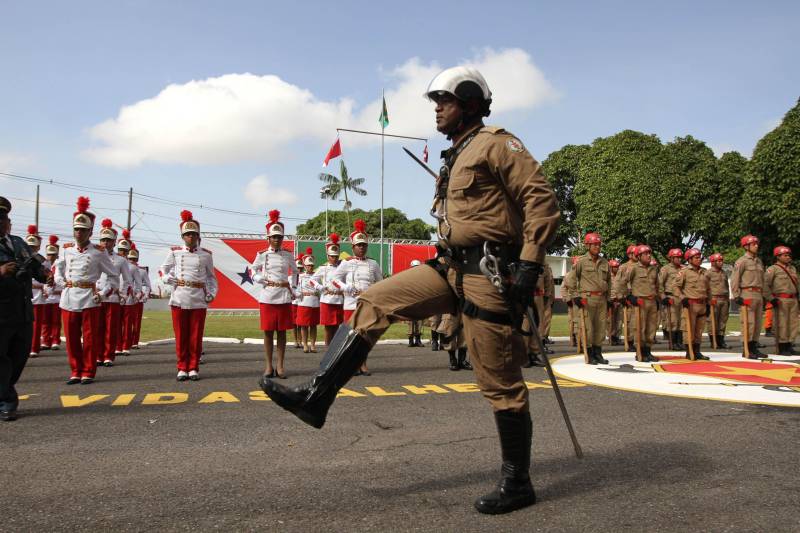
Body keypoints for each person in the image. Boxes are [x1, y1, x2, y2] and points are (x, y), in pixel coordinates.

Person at [260, 66, 559, 514]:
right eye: (435, 101)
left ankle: (518, 483)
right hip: (449, 267)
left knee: (499, 382)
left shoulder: (499, 144)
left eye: (446, 100)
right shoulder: (455, 154)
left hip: (489, 273)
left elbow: (541, 201)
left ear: (472, 103)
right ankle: (315, 398)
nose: (437, 108)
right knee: (373, 302)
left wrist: (530, 264)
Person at [54, 197, 116, 384]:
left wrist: (103, 293)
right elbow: (58, 268)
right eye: (76, 229)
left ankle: (88, 371)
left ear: (90, 231)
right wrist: (60, 281)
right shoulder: (65, 250)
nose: (78, 233)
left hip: (90, 297)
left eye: (82, 230)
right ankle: (75, 370)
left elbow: (113, 276)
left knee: (90, 337)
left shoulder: (98, 251)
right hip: (69, 296)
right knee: (71, 337)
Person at [0, 197, 47, 420]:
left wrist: (43, 273)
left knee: (18, 356)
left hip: (23, 310)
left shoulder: (19, 243)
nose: (2, 223)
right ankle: (7, 400)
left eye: (4, 219)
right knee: (1, 359)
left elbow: (37, 267)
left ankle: (5, 391)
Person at [159, 210, 218, 380]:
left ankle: (193, 367)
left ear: (198, 236)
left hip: (198, 298)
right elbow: (163, 270)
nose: (190, 237)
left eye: (193, 234)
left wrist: (212, 294)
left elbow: (212, 279)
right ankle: (182, 366)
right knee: (181, 335)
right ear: (182, 236)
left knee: (196, 336)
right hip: (179, 297)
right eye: (187, 234)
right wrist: (167, 278)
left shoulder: (206, 255)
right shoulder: (175, 253)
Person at [330, 219, 383, 376]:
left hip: (367, 304)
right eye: (359, 245)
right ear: (352, 247)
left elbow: (380, 283)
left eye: (364, 245)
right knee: (350, 336)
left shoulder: (373, 264)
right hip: (351, 303)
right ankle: (350, 365)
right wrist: (346, 287)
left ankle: (363, 364)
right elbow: (334, 280)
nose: (361, 248)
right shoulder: (346, 263)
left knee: (364, 336)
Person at [250, 210, 295, 379]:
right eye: (274, 237)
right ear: (268, 238)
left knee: (282, 332)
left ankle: (280, 366)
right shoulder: (262, 255)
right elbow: (252, 271)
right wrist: (259, 278)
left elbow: (296, 272)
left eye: (280, 237)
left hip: (283, 295)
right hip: (268, 296)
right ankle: (269, 366)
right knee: (268, 332)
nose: (277, 240)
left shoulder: (288, 255)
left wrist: (295, 287)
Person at [95, 219, 132, 367]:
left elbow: (128, 280)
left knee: (111, 328)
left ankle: (108, 356)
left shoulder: (120, 260)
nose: (105, 243)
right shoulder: (94, 255)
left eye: (109, 240)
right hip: (97, 296)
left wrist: (122, 294)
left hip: (113, 297)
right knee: (98, 328)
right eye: (103, 240)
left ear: (114, 242)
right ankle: (98, 355)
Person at [573, 233, 611, 364]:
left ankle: (598, 353)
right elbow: (573, 278)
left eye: (599, 244)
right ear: (588, 245)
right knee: (588, 328)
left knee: (601, 328)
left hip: (602, 299)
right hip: (587, 299)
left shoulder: (605, 262)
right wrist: (576, 296)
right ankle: (589, 354)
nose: (597, 247)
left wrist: (610, 299)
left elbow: (609, 282)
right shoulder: (581, 261)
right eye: (594, 244)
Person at [620, 245, 660, 362]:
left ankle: (648, 351)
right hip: (640, 302)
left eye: (649, 253)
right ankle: (640, 353)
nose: (649, 255)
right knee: (639, 328)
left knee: (651, 328)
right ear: (639, 256)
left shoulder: (654, 269)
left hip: (652, 301)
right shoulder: (633, 268)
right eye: (646, 254)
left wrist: (659, 298)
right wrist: (628, 296)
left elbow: (658, 285)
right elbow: (622, 283)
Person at [731, 235, 766, 358]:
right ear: (746, 246)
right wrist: (736, 295)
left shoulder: (759, 261)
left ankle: (754, 346)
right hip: (747, 293)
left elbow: (763, 280)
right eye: (753, 244)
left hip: (758, 294)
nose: (756, 246)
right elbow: (735, 279)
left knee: (757, 323)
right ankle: (747, 349)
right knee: (748, 323)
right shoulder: (741, 261)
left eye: (757, 244)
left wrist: (765, 295)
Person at [673, 248, 711, 360]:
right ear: (689, 259)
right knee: (689, 329)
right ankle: (689, 351)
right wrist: (682, 298)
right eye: (696, 258)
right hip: (690, 304)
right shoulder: (684, 272)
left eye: (700, 257)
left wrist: (708, 303)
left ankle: (697, 351)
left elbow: (708, 289)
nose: (699, 259)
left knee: (699, 330)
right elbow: (675, 287)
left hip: (702, 304)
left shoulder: (705, 271)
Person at [765, 246, 798, 355]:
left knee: (793, 324)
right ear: (778, 257)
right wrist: (771, 299)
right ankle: (782, 346)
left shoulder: (792, 269)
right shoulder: (773, 269)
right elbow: (765, 285)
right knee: (782, 324)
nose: (788, 257)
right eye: (785, 255)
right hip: (780, 299)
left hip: (793, 299)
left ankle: (789, 344)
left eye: (789, 255)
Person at [313, 233, 344, 346]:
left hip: (339, 300)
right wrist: (320, 287)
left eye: (336, 256)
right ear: (327, 256)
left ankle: (334, 350)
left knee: (337, 327)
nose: (334, 258)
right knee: (328, 328)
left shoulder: (343, 267)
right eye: (332, 256)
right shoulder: (323, 268)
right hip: (327, 300)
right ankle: (327, 350)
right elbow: (312, 280)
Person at [25, 225, 47, 358]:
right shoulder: (19, 256)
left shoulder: (42, 261)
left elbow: (44, 278)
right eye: (29, 246)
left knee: (37, 323)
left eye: (34, 246)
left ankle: (34, 347)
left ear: (38, 247)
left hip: (38, 296)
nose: (31, 249)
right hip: (25, 295)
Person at [296, 248, 322, 353]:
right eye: (308, 265)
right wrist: (301, 294)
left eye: (311, 265)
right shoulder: (300, 276)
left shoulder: (317, 276)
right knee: (304, 325)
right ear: (304, 266)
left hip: (314, 303)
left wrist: (318, 293)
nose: (310, 267)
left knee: (313, 325)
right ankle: (305, 344)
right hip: (304, 303)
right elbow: (296, 290)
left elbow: (321, 288)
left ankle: (313, 345)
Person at [659, 248, 685, 350]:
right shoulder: (665, 269)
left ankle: (680, 342)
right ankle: (673, 342)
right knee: (673, 321)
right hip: (671, 297)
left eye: (680, 257)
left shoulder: (683, 269)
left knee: (681, 321)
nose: (679, 259)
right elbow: (660, 284)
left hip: (682, 297)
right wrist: (663, 297)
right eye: (676, 257)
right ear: (671, 258)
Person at [616, 244, 639, 351]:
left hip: (641, 297)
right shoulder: (624, 267)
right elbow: (618, 283)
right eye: (635, 253)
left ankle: (639, 342)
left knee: (641, 322)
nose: (637, 255)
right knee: (631, 321)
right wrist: (622, 297)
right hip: (629, 297)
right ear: (629, 255)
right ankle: (630, 342)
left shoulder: (642, 266)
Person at [41, 236, 62, 351]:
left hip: (57, 297)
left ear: (57, 254)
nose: (51, 256)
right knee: (45, 321)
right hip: (46, 297)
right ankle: (45, 340)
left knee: (56, 321)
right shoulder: (44, 264)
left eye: (53, 254)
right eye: (49, 254)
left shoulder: (60, 265)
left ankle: (55, 340)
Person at [128, 246, 150, 349]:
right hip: (125, 299)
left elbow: (148, 285)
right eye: (130, 258)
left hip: (137, 299)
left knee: (136, 321)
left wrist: (144, 295)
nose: (132, 260)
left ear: (137, 259)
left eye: (134, 259)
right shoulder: (122, 268)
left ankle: (134, 342)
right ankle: (125, 342)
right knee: (125, 322)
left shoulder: (142, 271)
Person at [707, 253, 730, 349]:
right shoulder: (708, 273)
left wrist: (728, 299)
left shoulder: (724, 272)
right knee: (713, 321)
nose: (721, 263)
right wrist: (708, 299)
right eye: (719, 261)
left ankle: (721, 340)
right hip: (714, 299)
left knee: (722, 321)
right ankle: (713, 341)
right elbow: (705, 287)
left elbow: (726, 286)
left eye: (721, 261)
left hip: (724, 298)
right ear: (713, 262)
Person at [406, 259, 425, 347]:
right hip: (410, 301)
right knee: (410, 321)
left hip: (420, 301)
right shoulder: (407, 277)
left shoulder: (422, 278)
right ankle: (410, 340)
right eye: (414, 267)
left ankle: (418, 340)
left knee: (419, 321)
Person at [607, 259, 623, 345]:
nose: (617, 268)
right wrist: (611, 300)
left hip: (620, 300)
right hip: (611, 301)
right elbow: (607, 289)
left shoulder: (620, 276)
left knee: (619, 320)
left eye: (617, 266)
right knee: (611, 321)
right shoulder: (608, 277)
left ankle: (617, 336)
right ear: (611, 268)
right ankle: (611, 336)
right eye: (615, 267)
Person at [564, 256, 579, 346]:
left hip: (581, 300)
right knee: (572, 321)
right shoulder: (568, 275)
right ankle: (573, 338)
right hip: (572, 301)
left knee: (579, 320)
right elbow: (563, 288)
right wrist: (568, 299)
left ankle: (579, 338)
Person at [291, 254, 304, 349]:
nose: (299, 270)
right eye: (297, 268)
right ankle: (295, 340)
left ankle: (300, 340)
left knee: (300, 323)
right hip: (293, 303)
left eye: (300, 268)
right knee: (294, 323)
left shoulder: (305, 277)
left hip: (302, 303)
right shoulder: (289, 278)